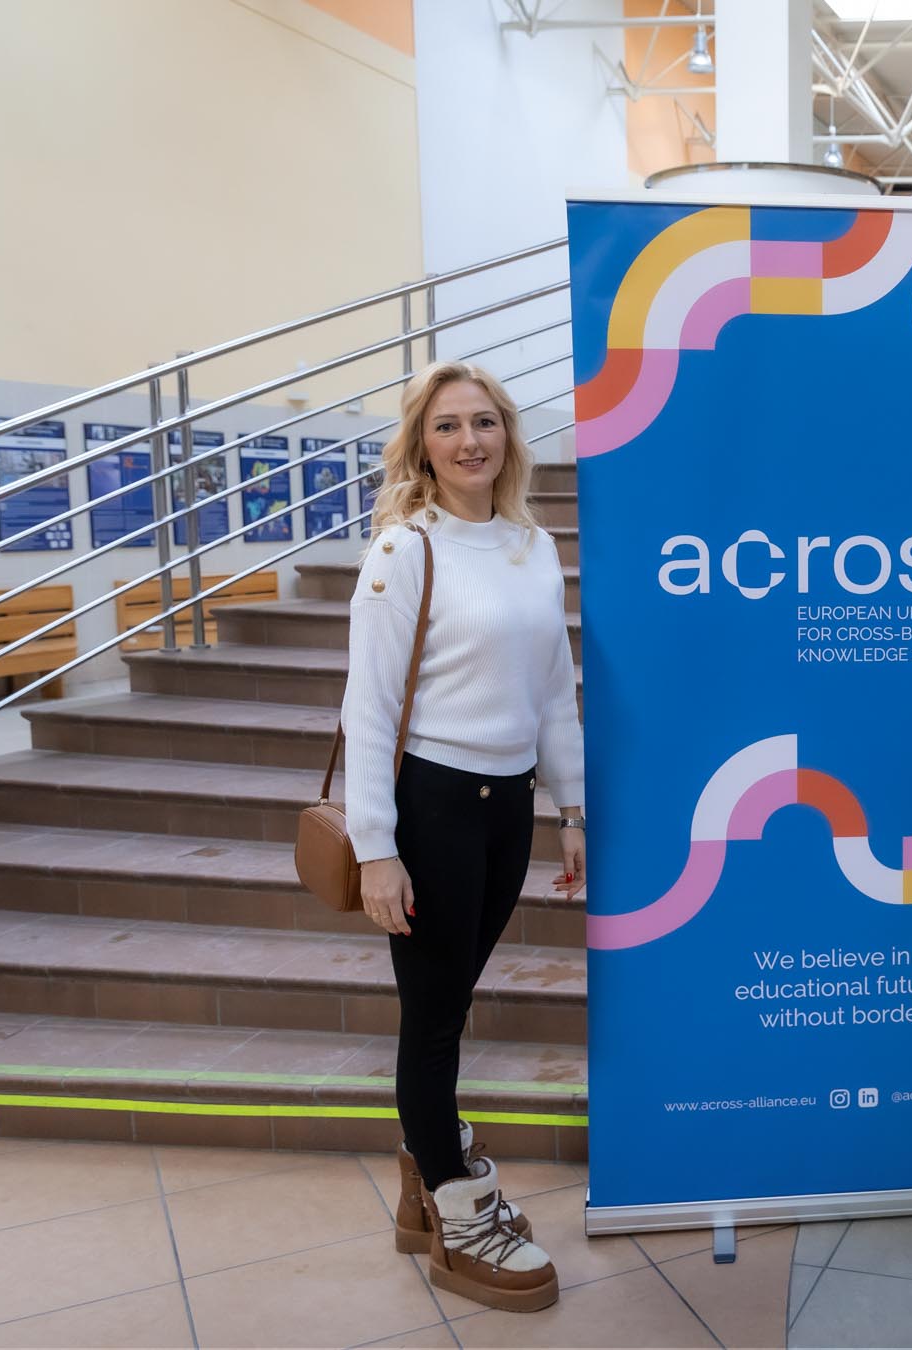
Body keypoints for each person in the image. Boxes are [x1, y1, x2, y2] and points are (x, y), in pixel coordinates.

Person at [344, 360, 586, 1313]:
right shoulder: (405, 550)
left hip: (508, 810)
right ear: (421, 445)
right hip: (433, 808)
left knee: (451, 998)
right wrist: (376, 846)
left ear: (508, 438)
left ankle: (423, 1173)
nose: (470, 441)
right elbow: (368, 708)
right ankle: (455, 1212)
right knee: (435, 1014)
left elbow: (555, 695)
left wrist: (571, 810)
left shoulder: (532, 543)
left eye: (485, 422)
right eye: (448, 426)